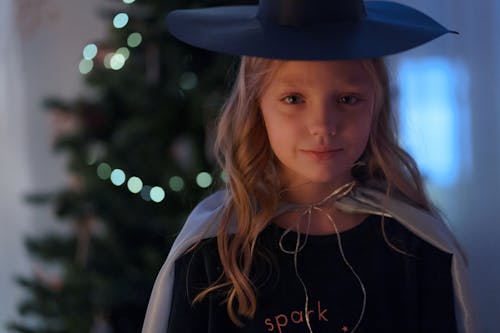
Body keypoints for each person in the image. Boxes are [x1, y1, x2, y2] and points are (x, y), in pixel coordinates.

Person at [143, 1, 476, 332]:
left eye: (347, 99)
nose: (322, 125)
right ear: (257, 106)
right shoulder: (214, 252)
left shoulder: (414, 246)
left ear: (376, 105)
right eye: (293, 99)